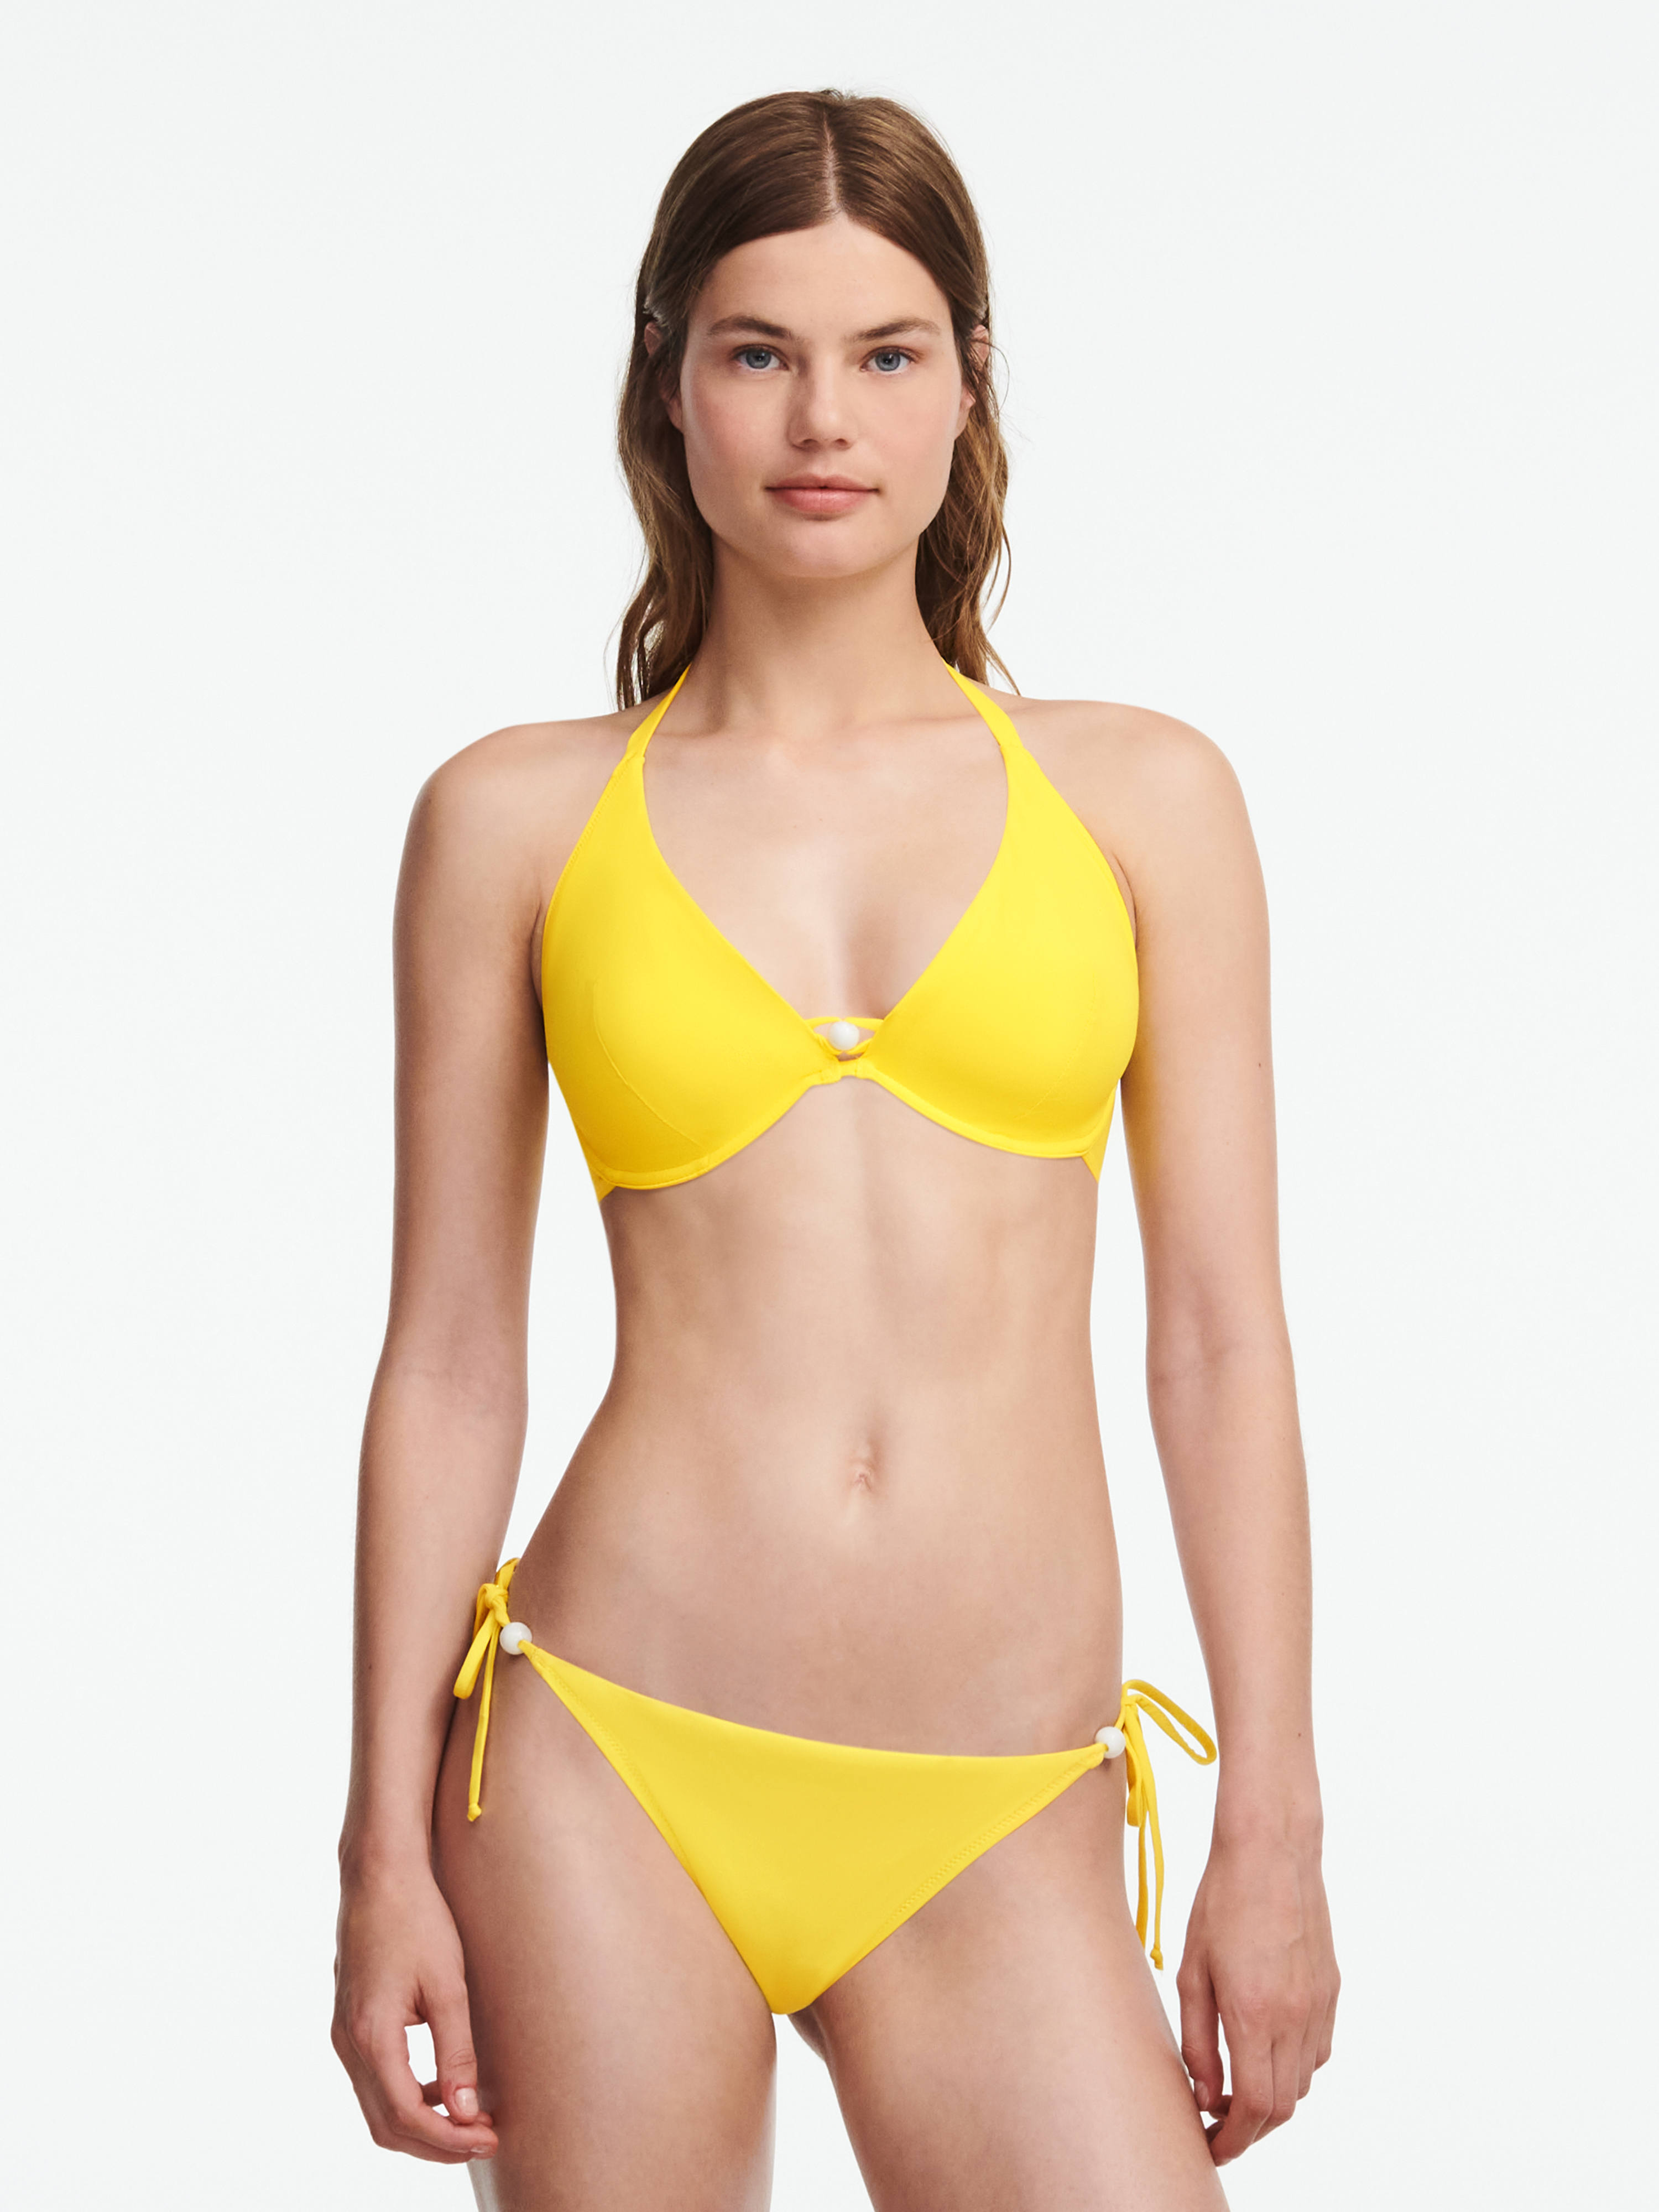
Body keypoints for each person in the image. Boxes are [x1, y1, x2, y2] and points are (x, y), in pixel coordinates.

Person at [331, 87, 1338, 2209]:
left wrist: (1273, 1822)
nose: (823, 418)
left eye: (886, 354)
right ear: (667, 383)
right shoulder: (511, 820)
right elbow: (450, 1359)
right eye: (758, 351)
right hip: (609, 1753)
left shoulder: (1146, 800)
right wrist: (379, 1853)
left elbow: (1222, 1344)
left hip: (1002, 1797)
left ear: (970, 385)